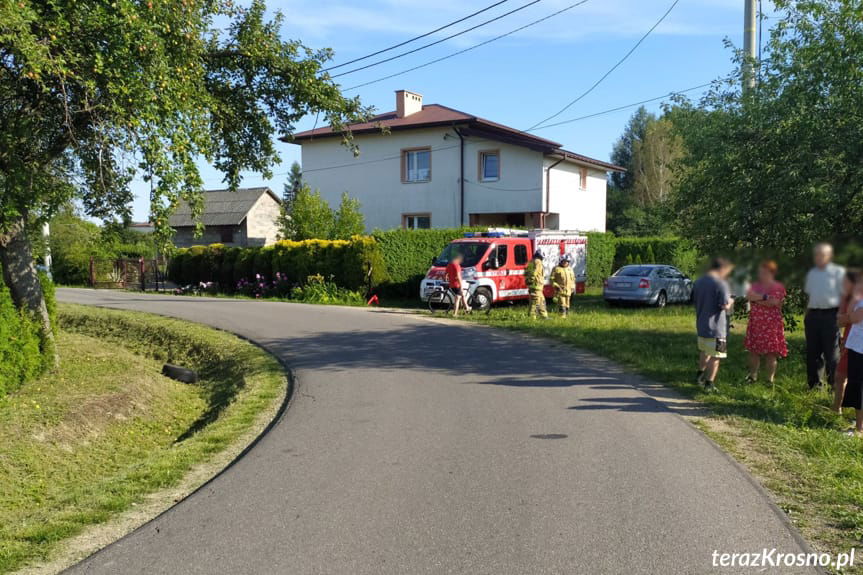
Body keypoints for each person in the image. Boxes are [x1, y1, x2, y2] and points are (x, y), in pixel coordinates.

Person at [804, 243, 846, 390]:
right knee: (813, 353)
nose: (819, 257)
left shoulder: (838, 272)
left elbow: (844, 296)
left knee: (831, 353)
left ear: (829, 256)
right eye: (816, 255)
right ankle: (814, 385)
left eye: (822, 255)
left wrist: (841, 317)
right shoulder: (812, 273)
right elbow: (811, 295)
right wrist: (807, 315)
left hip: (831, 315)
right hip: (813, 315)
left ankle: (834, 385)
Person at [693, 257, 735, 392]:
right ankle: (709, 384)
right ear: (722, 269)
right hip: (717, 328)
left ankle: (699, 375)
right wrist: (732, 300)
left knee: (704, 352)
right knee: (716, 356)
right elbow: (725, 305)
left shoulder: (698, 281)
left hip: (702, 325)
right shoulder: (721, 283)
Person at [744, 260, 788, 384]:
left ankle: (769, 380)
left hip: (772, 325)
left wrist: (756, 299)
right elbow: (748, 296)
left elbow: (773, 302)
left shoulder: (778, 286)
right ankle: (752, 376)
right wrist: (764, 297)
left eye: (764, 272)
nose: (761, 274)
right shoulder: (754, 285)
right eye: (760, 272)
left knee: (771, 353)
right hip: (756, 323)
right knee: (753, 351)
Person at [839, 272, 863, 435]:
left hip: (861, 348)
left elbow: (852, 318)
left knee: (859, 387)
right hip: (856, 346)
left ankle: (860, 429)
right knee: (856, 385)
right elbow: (848, 314)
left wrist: (848, 316)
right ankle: (859, 425)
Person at [835, 268, 861, 412]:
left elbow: (851, 318)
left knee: (857, 381)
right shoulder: (845, 299)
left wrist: (848, 317)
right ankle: (836, 408)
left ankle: (857, 418)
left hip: (858, 344)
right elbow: (840, 321)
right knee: (840, 376)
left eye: (845, 282)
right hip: (848, 342)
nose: (843, 285)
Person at [445, 252, 470, 316]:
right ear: (458, 259)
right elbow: (458, 277)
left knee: (462, 295)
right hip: (457, 284)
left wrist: (446, 279)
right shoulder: (457, 266)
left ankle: (467, 308)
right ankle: (455, 314)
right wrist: (461, 286)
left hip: (451, 284)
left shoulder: (449, 265)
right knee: (458, 298)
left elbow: (445, 274)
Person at [525, 250, 548, 319]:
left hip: (534, 286)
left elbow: (526, 273)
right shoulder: (538, 262)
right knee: (535, 302)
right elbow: (534, 273)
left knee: (541, 301)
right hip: (536, 285)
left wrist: (528, 281)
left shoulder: (531, 262)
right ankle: (531, 317)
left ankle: (544, 316)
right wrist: (531, 280)